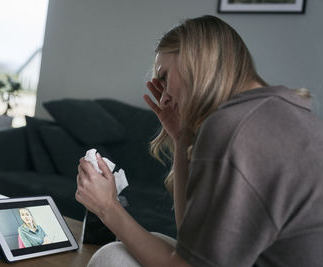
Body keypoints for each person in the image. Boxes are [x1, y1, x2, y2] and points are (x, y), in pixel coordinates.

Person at [75, 15, 323, 267]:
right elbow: (191, 243)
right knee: (146, 243)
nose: (163, 99)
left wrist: (108, 208)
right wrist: (182, 138)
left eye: (165, 77)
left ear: (196, 61)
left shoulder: (234, 128)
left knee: (113, 258)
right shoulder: (287, 112)